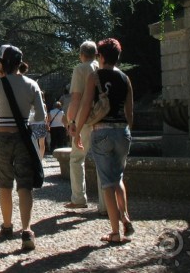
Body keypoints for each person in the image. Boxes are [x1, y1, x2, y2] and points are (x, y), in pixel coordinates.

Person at [71, 38, 135, 244]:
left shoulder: (94, 77)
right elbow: (129, 112)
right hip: (122, 132)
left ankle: (115, 232)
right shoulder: (126, 78)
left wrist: (77, 131)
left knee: (107, 182)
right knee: (118, 177)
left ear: (102, 56)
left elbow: (87, 106)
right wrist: (126, 132)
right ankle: (125, 215)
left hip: (102, 132)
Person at [0, 44, 46, 252]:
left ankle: (7, 225)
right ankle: (27, 230)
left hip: (2, 136)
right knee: (25, 185)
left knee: (4, 183)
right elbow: (40, 116)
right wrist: (40, 143)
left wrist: (1, 79)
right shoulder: (32, 84)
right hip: (24, 137)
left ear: (3, 64)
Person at [64, 40, 106, 213]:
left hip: (84, 120)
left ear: (81, 54)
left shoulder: (80, 69)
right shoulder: (102, 67)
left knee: (76, 159)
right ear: (96, 53)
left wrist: (71, 121)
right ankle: (105, 205)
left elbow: (76, 98)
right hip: (102, 118)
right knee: (102, 162)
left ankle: (79, 198)